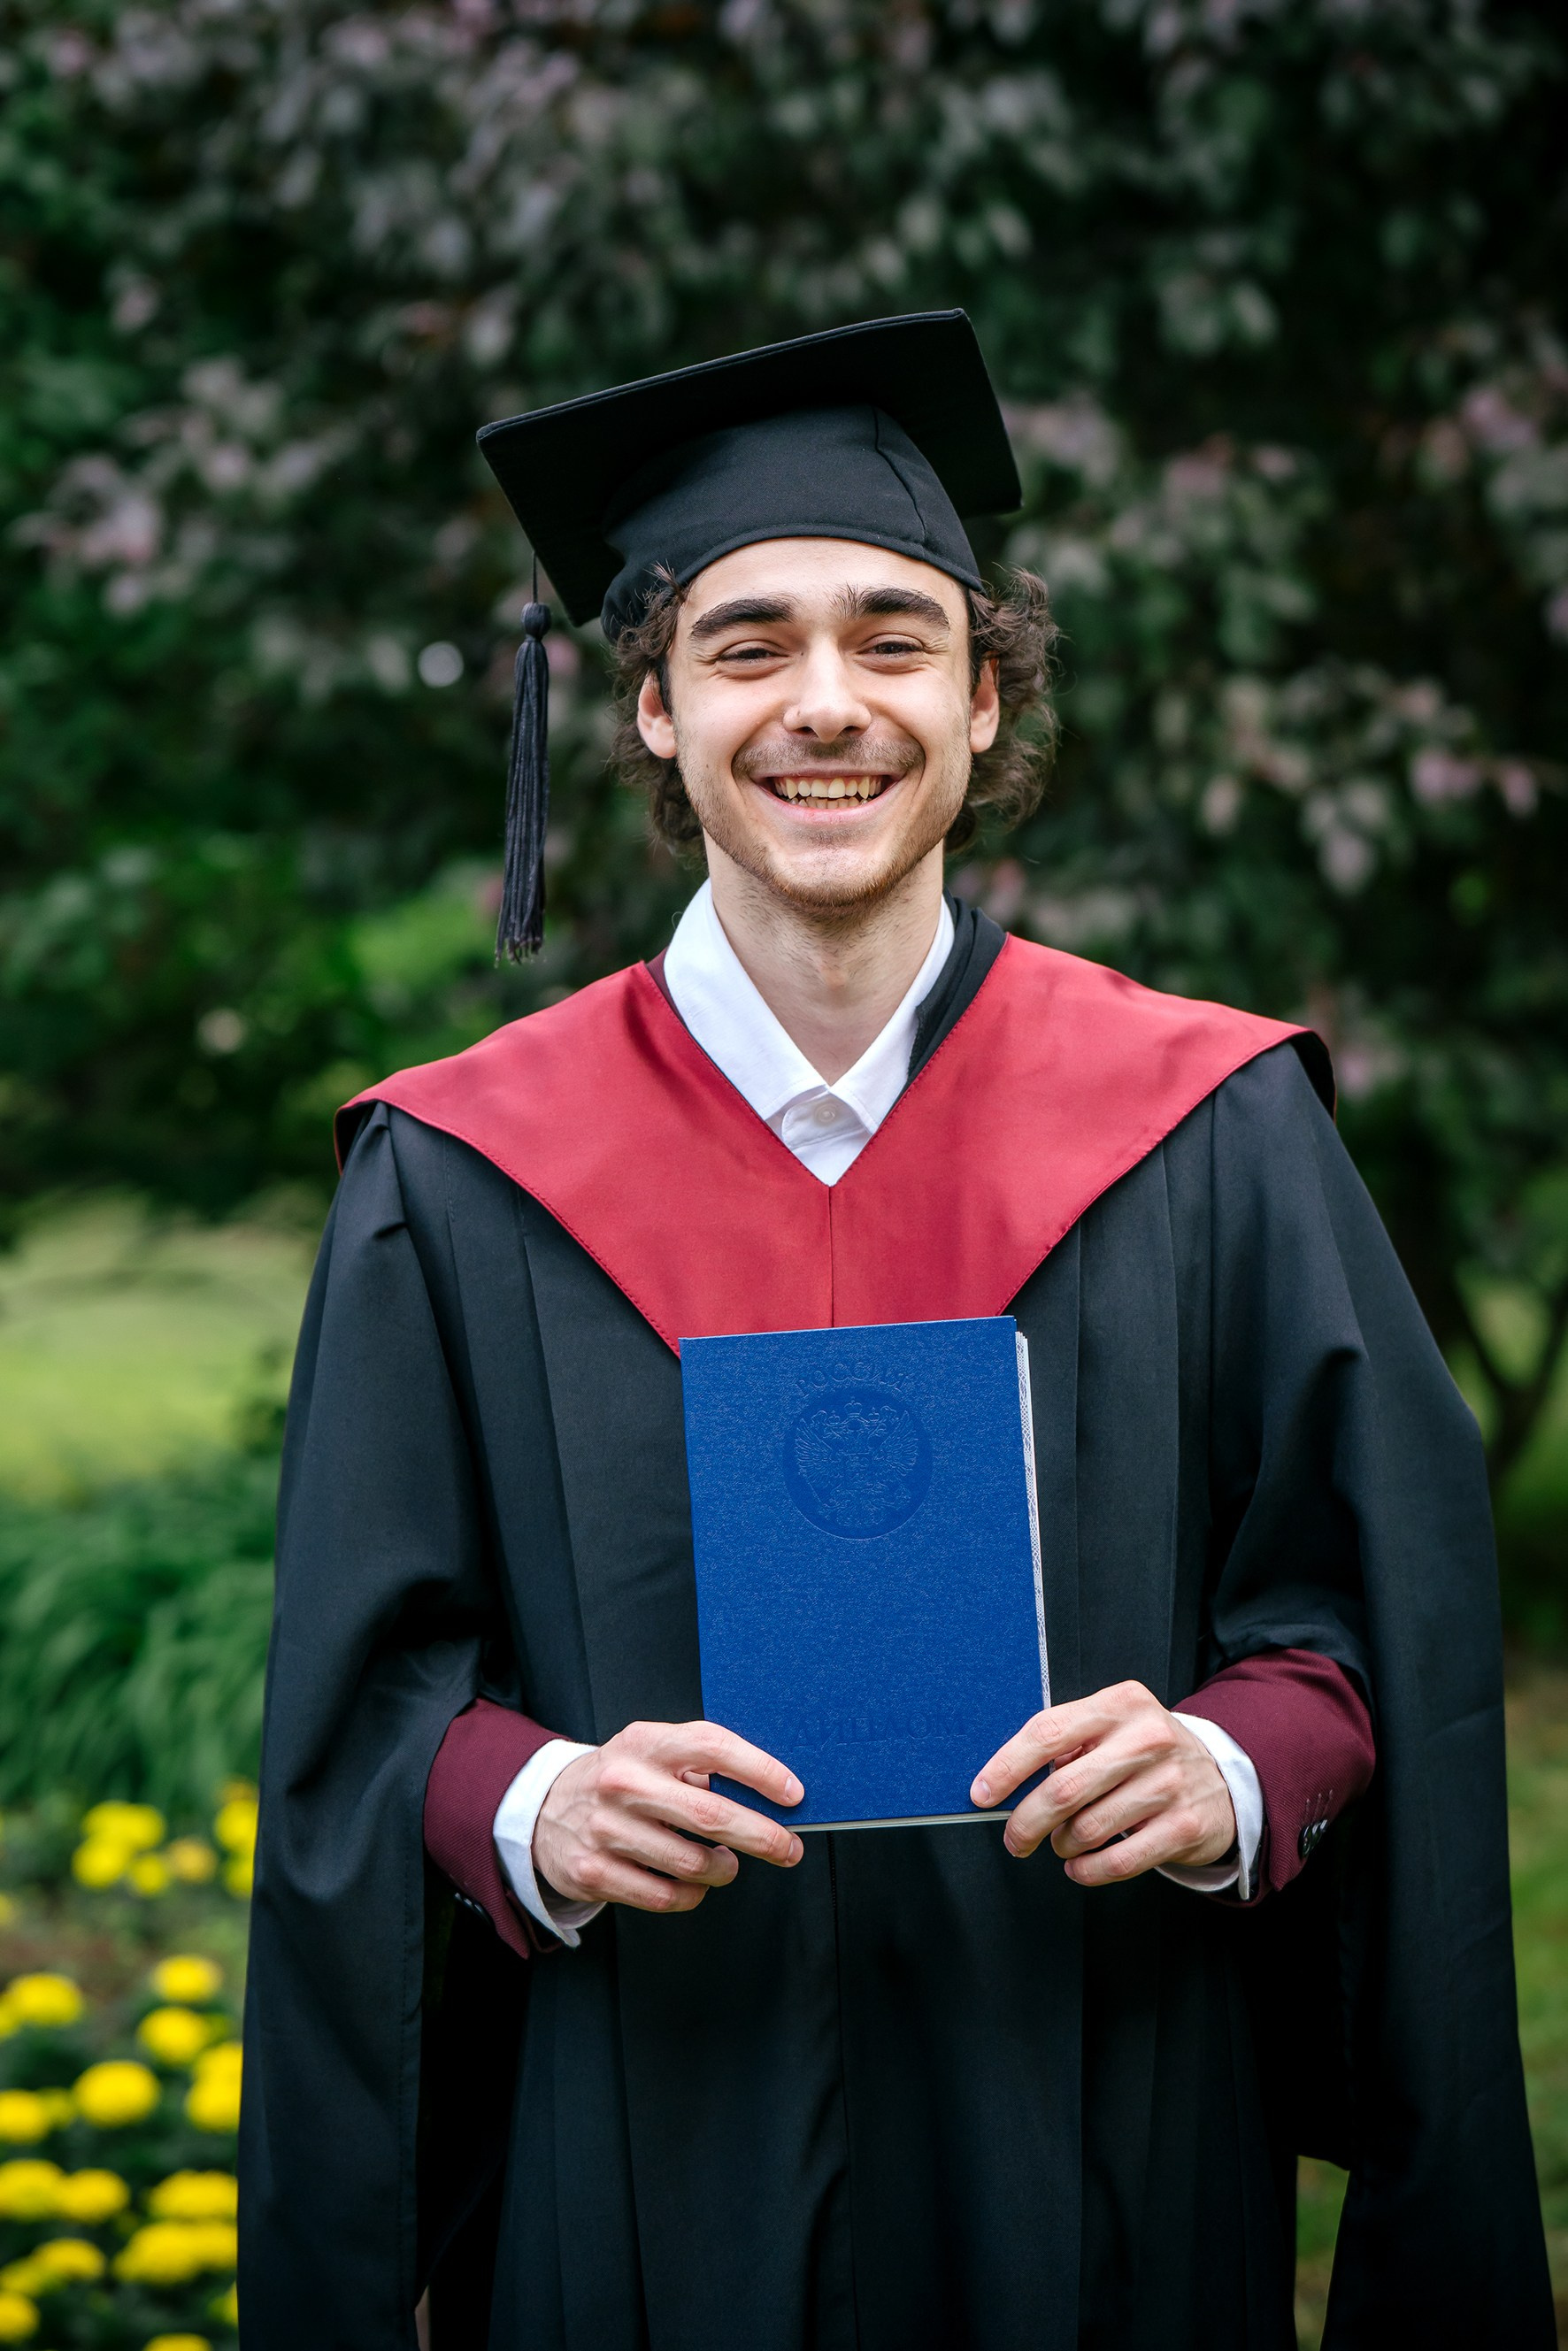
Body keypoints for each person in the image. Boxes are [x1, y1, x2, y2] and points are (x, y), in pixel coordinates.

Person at [238, 313, 1550, 2350]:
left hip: (1108, 2113)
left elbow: (1368, 1617)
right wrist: (527, 1805)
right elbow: (362, 1692)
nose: (824, 706)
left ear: (982, 693)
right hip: (638, 2146)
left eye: (892, 638)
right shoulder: (463, 1168)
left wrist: (1228, 1760)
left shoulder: (1204, 1125)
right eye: (747, 647)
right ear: (654, 715)